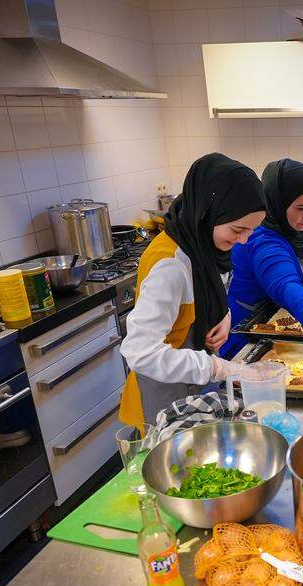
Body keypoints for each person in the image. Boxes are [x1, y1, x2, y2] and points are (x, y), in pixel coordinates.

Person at [118, 153, 266, 432]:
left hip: (193, 388)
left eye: (251, 231)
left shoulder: (203, 244)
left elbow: (204, 294)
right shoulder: (171, 265)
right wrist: (217, 368)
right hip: (162, 397)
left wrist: (225, 314)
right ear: (208, 212)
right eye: (238, 229)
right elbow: (140, 352)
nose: (244, 240)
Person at [222, 158, 303, 358]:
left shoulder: (293, 224)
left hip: (282, 318)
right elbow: (285, 283)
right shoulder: (261, 239)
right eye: (301, 208)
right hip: (249, 335)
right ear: (277, 201)